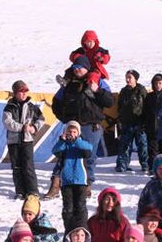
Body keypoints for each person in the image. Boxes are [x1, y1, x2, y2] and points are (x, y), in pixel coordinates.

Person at [48, 56, 113, 198]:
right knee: (64, 154)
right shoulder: (68, 83)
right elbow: (56, 102)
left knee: (89, 156)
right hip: (73, 125)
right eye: (75, 67)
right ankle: (55, 184)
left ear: (87, 68)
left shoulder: (98, 81)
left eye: (80, 67)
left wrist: (97, 91)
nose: (77, 70)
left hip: (91, 126)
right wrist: (64, 118)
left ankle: (86, 185)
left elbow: (109, 102)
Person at [2, 80, 44, 199]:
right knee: (16, 167)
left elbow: (41, 119)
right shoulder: (9, 107)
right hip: (13, 141)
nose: (24, 93)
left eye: (26, 91)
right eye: (21, 91)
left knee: (28, 165)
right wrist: (22, 127)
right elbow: (7, 122)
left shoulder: (32, 107)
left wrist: (34, 128)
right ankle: (20, 191)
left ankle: (32, 191)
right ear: (15, 93)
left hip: (27, 141)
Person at [52, 121, 92, 230]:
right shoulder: (64, 145)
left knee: (80, 206)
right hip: (66, 181)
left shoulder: (82, 144)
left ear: (78, 133)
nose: (72, 134)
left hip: (81, 181)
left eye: (74, 132)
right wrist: (62, 140)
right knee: (68, 207)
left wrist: (77, 140)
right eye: (69, 131)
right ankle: (69, 228)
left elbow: (89, 150)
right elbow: (55, 151)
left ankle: (82, 227)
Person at [115, 69, 148, 173]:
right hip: (126, 123)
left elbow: (147, 106)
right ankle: (122, 165)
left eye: (130, 77)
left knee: (142, 145)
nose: (128, 80)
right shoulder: (123, 91)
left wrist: (144, 122)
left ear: (135, 79)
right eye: (126, 77)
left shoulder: (141, 90)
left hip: (139, 123)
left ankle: (145, 165)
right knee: (125, 146)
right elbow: (119, 107)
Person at [143, 74, 162, 171]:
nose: (158, 85)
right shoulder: (149, 96)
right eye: (156, 83)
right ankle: (153, 168)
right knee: (152, 150)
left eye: (160, 83)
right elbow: (145, 111)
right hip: (151, 127)